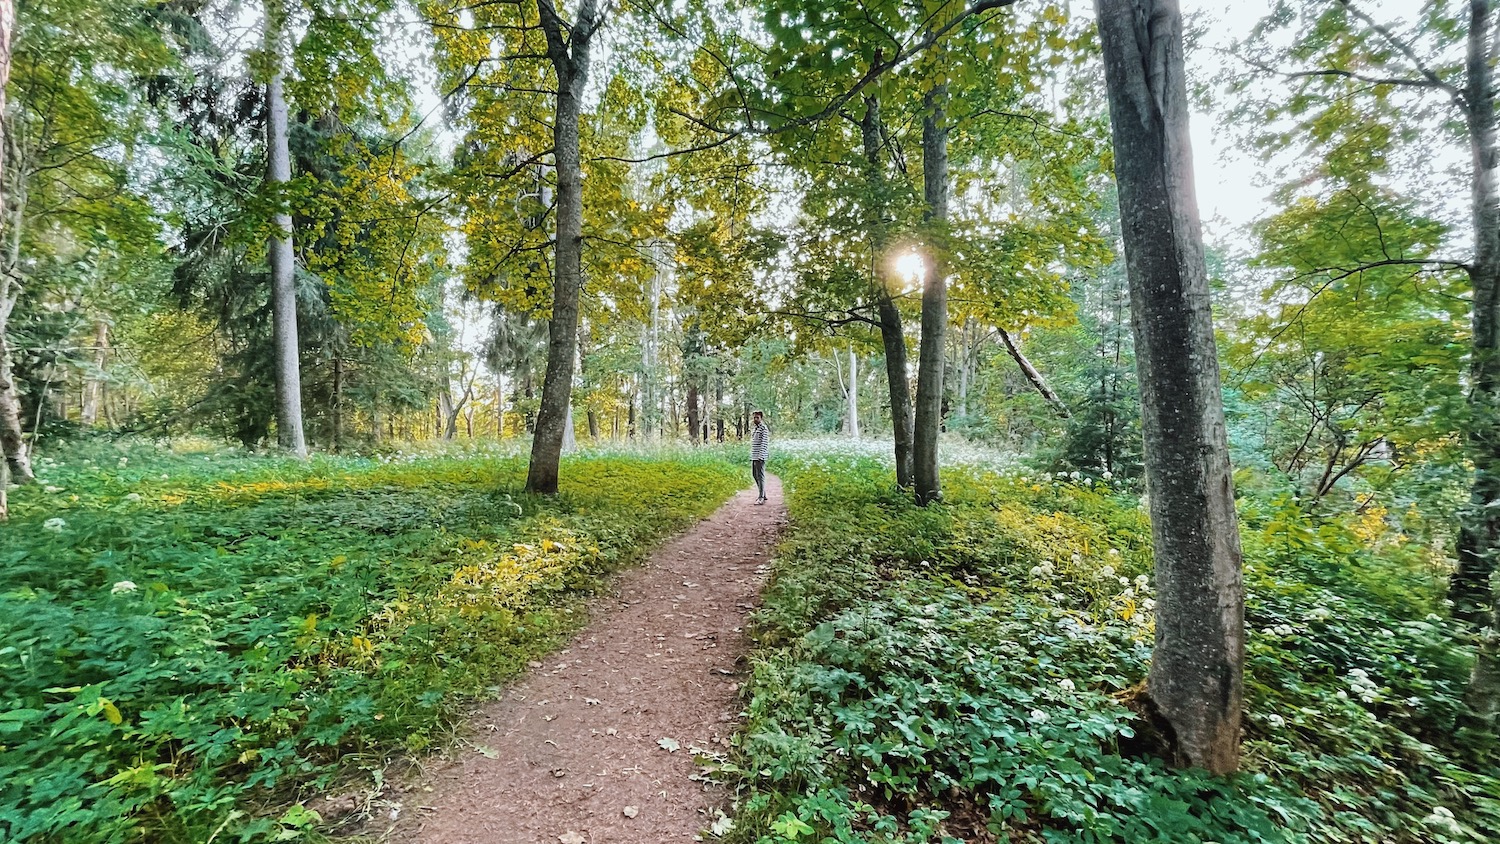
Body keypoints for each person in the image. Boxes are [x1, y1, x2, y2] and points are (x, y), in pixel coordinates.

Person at [749, 410, 769, 504]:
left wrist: (761, 456)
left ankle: (761, 497)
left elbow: (764, 443)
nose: (755, 419)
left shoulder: (763, 428)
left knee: (760, 476)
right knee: (754, 474)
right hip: (754, 456)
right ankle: (763, 493)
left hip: (760, 457)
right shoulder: (756, 429)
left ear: (761, 418)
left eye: (757, 417)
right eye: (754, 417)